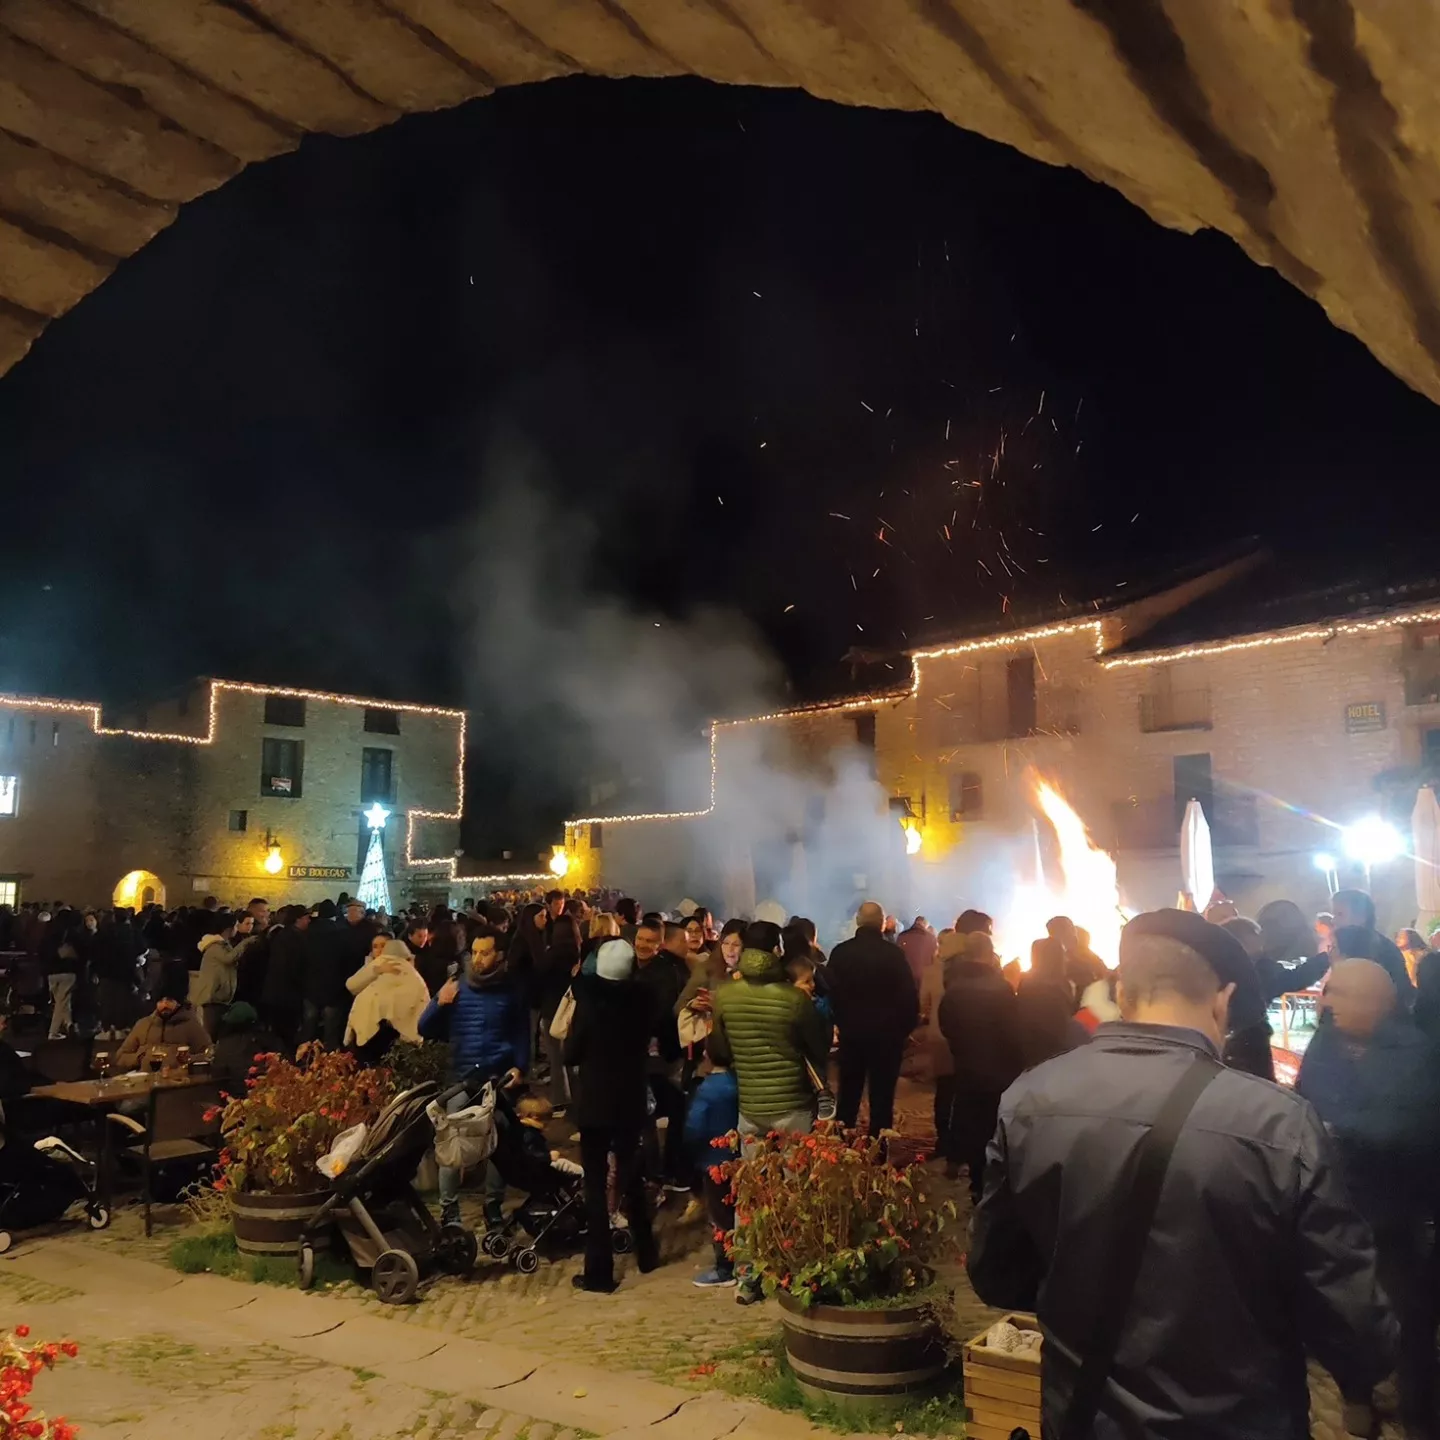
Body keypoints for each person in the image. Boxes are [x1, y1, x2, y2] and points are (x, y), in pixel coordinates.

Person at [969, 908, 1397, 1440]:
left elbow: (995, 1273)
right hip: (1239, 1422)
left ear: (1121, 993)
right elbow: (1354, 1323)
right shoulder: (1278, 1124)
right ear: (1223, 1000)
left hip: (1083, 1417)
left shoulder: (1030, 1100)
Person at [1298, 958, 1440, 1434]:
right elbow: (1307, 1101)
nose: (1327, 1001)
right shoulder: (1325, 1044)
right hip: (1334, 1203)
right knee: (1342, 1310)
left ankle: (1418, 1411)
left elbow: (1415, 1129)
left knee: (1410, 1317)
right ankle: (1357, 1392)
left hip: (1396, 1210)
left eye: (1342, 993)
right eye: (1328, 990)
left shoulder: (1419, 1053)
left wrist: (1341, 1129)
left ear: (1379, 1001)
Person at [564, 938, 659, 1292]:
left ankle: (599, 1271)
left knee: (595, 1185)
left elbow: (571, 1053)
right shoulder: (643, 1002)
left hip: (595, 1103)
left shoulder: (590, 1004)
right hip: (630, 1099)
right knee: (631, 1175)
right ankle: (647, 1252)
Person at [419, 927, 529, 1229]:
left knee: (499, 1144)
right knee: (452, 1144)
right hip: (461, 1076)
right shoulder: (457, 986)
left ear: (500, 955)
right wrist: (439, 1002)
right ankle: (449, 1210)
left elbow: (521, 1032)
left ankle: (492, 1204)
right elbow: (424, 1027)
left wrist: (520, 1067)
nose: (478, 959)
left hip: (497, 1078)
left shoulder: (511, 990)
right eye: (475, 952)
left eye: (485, 952)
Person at [709, 920, 830, 1137]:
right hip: (793, 1104)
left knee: (752, 1159)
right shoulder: (795, 998)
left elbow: (719, 1052)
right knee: (795, 1158)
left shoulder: (725, 994)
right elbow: (818, 1048)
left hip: (750, 1104)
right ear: (776, 950)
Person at [938, 932, 1022, 1199]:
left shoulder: (954, 987)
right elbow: (1012, 1030)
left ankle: (975, 1178)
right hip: (998, 1069)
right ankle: (992, 1180)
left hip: (967, 1066)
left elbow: (946, 1023)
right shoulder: (1002, 988)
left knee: (969, 1120)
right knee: (993, 1124)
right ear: (988, 953)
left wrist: (961, 1047)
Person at [826, 901, 919, 1135]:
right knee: (882, 1098)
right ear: (882, 923)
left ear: (858, 921)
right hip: (887, 1037)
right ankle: (879, 1146)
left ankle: (842, 1145)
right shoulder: (894, 955)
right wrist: (904, 1030)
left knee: (848, 1094)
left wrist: (838, 1022)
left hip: (851, 1034)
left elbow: (829, 993)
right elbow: (909, 997)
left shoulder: (841, 953)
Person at [633, 920, 687, 1190]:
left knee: (655, 1111)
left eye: (649, 941)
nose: (642, 945)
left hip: (655, 1056)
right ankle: (656, 1172)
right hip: (639, 1055)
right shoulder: (631, 967)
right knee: (649, 1113)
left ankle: (658, 1172)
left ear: (660, 945)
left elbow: (662, 1014)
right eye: (640, 939)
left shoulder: (663, 974)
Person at [684, 1035, 739, 1289]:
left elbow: (695, 1126)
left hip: (713, 1159)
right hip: (738, 1157)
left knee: (719, 1216)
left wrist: (689, 1151)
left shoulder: (707, 1089)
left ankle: (725, 1267)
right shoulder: (738, 1082)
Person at [915, 928, 964, 1169]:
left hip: (939, 1037)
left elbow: (923, 1005)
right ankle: (960, 1147)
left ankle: (943, 1142)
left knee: (943, 1092)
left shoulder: (932, 972)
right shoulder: (969, 971)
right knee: (963, 1092)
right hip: (966, 1038)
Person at [344, 937, 430, 1058]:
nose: (379, 950)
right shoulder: (412, 973)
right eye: (375, 946)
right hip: (397, 1031)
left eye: (383, 946)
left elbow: (351, 985)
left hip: (379, 1027)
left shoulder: (388, 964)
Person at [115, 965, 211, 1071]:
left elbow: (209, 1054)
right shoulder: (143, 1025)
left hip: (176, 1079)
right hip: (145, 1079)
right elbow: (120, 1057)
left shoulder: (190, 1026)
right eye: (160, 1000)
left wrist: (189, 1059)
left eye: (169, 1000)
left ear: (178, 1002)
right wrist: (139, 1058)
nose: (165, 1004)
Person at [1333, 888, 1414, 1003]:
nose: (1334, 921)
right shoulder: (1347, 944)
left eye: (1340, 915)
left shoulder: (1375, 949)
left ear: (1361, 917)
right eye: (1334, 914)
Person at [1015, 938, 1082, 1069]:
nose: (1067, 959)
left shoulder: (1026, 984)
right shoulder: (1061, 987)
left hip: (1032, 1055)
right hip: (1056, 1055)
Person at [193, 913, 256, 1038]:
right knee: (211, 1033)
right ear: (228, 929)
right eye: (235, 926)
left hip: (221, 998)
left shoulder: (224, 944)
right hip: (212, 997)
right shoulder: (215, 946)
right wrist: (245, 943)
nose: (237, 929)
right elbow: (229, 958)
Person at [210, 1001, 284, 1090]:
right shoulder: (266, 1041)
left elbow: (217, 1076)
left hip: (231, 1093)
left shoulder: (223, 1045)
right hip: (260, 1090)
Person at [895, 914, 937, 989]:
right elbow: (934, 959)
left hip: (904, 976)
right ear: (925, 925)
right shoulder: (931, 938)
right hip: (923, 978)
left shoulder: (902, 936)